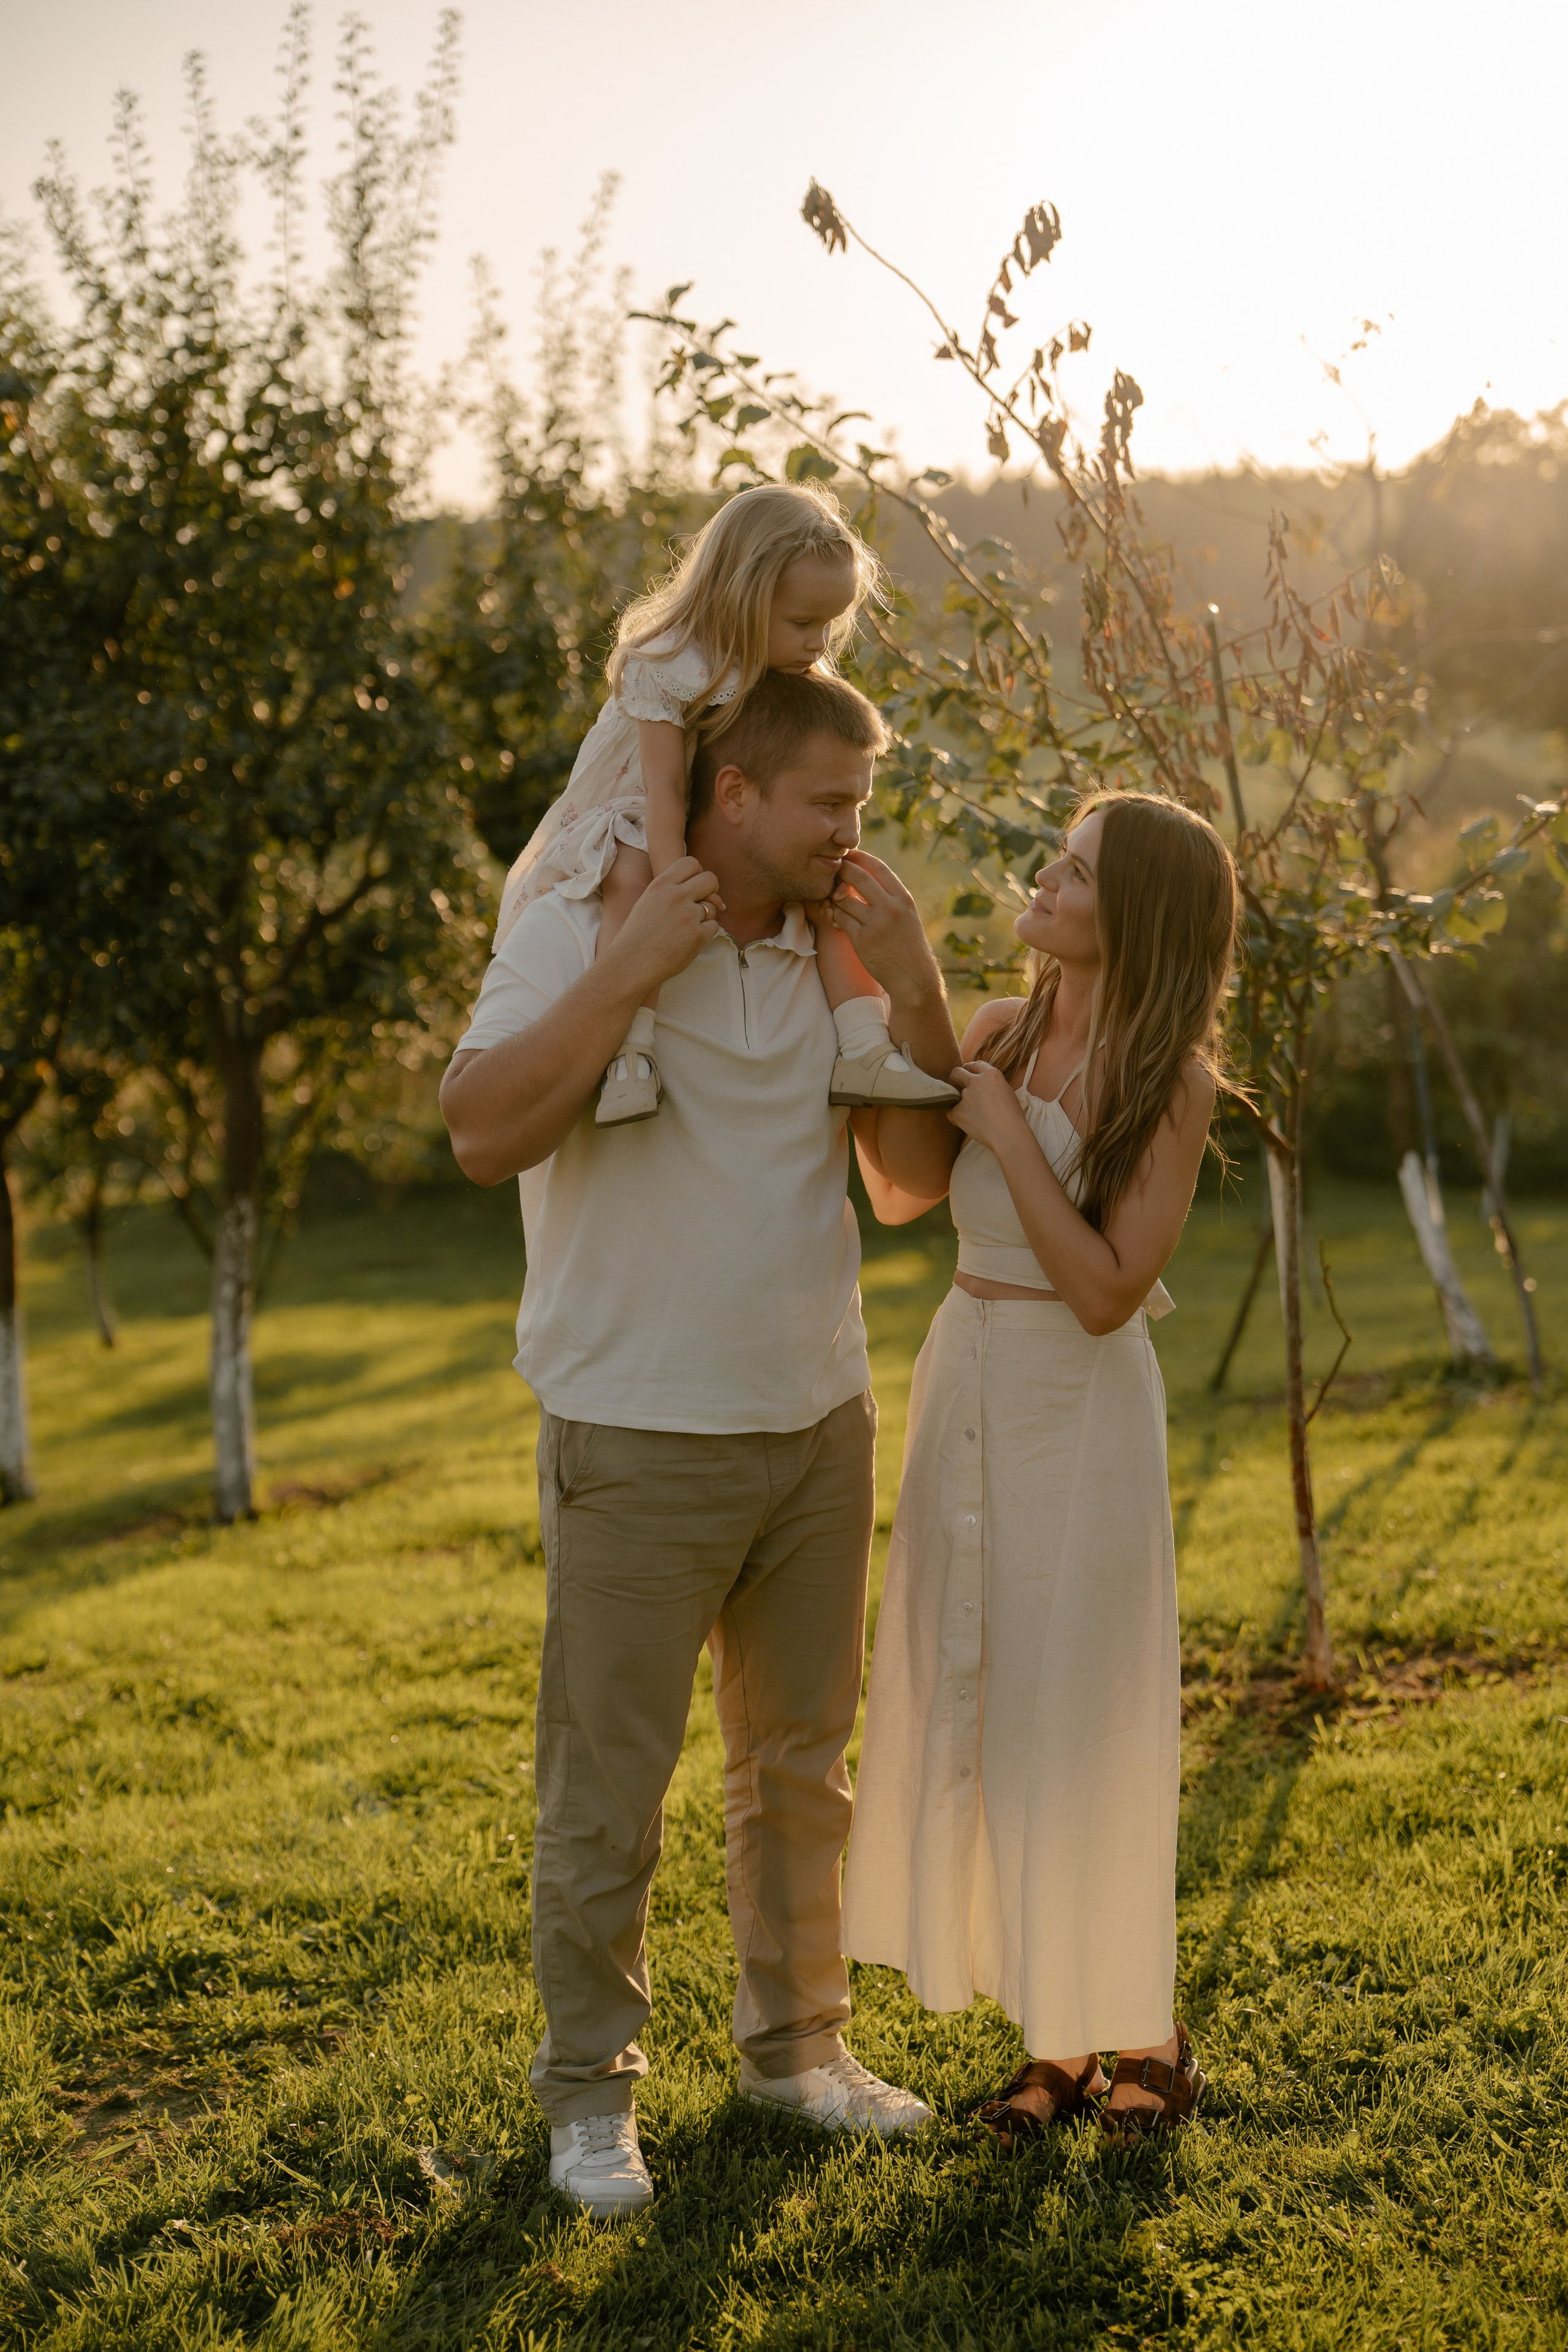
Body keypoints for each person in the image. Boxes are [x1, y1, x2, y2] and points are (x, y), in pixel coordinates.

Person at [440, 668, 964, 2220]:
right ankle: (590, 2099)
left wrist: (917, 970)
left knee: (797, 1770)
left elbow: (909, 1183)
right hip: (636, 1430)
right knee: (610, 1785)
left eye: (860, 808)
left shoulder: (833, 950)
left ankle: (795, 2053)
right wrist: (630, 965)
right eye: (827, 804)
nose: (848, 835)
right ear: (727, 795)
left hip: (815, 1421)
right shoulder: (577, 921)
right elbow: (477, 1129)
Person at [839, 790, 1240, 2146]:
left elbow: (1107, 1294)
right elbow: (897, 1190)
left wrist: (1008, 1134)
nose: (1044, 881)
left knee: (1080, 1716)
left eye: (1071, 872)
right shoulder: (1002, 1033)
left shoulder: (1169, 1085)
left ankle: (1143, 2031)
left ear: (1132, 918)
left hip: (1079, 1408)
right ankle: (1053, 2041)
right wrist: (903, 1007)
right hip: (968, 1379)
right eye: (1055, 862)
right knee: (989, 1697)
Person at [494, 479, 958, 1126]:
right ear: (743, 598)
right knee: (633, 882)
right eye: (803, 623)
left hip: (712, 813)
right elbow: (664, 788)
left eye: (829, 623)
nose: (820, 642)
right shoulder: (667, 662)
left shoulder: (786, 664)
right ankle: (632, 1051)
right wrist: (673, 876)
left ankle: (862, 1047)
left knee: (829, 895)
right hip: (640, 815)